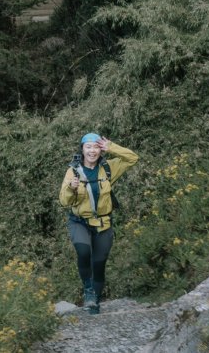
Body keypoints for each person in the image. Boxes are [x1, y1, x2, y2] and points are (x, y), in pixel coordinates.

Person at [59, 133, 139, 314]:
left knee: (99, 263)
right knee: (83, 250)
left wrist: (111, 147)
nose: (92, 151)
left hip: (103, 223)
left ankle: (94, 303)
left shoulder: (108, 168)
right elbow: (64, 201)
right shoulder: (73, 171)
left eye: (96, 147)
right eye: (88, 147)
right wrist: (71, 188)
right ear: (82, 149)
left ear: (100, 149)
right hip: (79, 222)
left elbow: (133, 158)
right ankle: (88, 290)